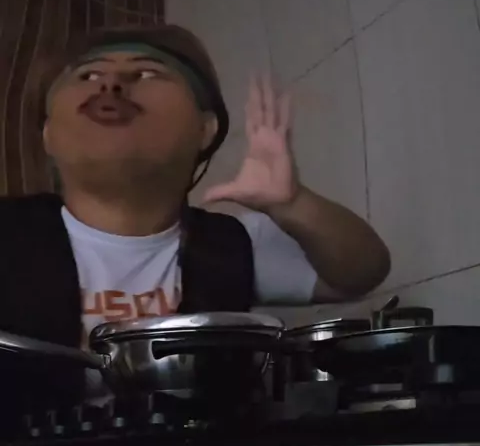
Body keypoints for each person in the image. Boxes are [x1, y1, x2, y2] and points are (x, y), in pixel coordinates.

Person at [0, 24, 390, 398]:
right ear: (48, 135)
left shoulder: (235, 244)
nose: (111, 84)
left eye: (148, 73)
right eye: (87, 75)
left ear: (205, 129)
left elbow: (360, 274)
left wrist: (292, 204)